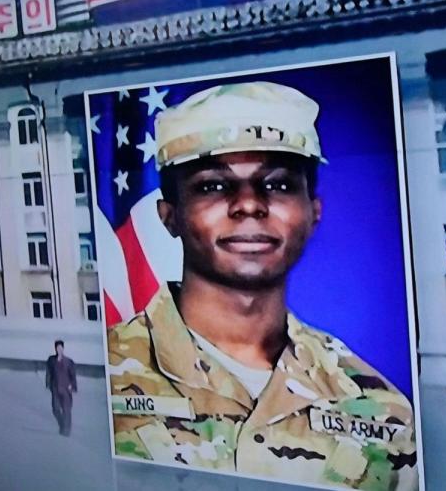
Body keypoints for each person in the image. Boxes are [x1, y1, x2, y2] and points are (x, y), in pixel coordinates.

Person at [106, 82, 418, 490]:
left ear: (313, 213)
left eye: (279, 183)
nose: (249, 203)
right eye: (213, 185)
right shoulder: (105, 375)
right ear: (170, 216)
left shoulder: (382, 408)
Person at [45, 340, 77, 436]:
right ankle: (62, 424)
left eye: (60, 348)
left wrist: (73, 386)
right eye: (57, 348)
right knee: (55, 409)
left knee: (66, 410)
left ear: (63, 348)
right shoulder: (51, 360)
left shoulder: (69, 361)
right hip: (55, 388)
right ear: (55, 349)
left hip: (66, 389)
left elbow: (73, 375)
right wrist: (48, 384)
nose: (59, 350)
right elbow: (49, 373)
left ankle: (66, 430)